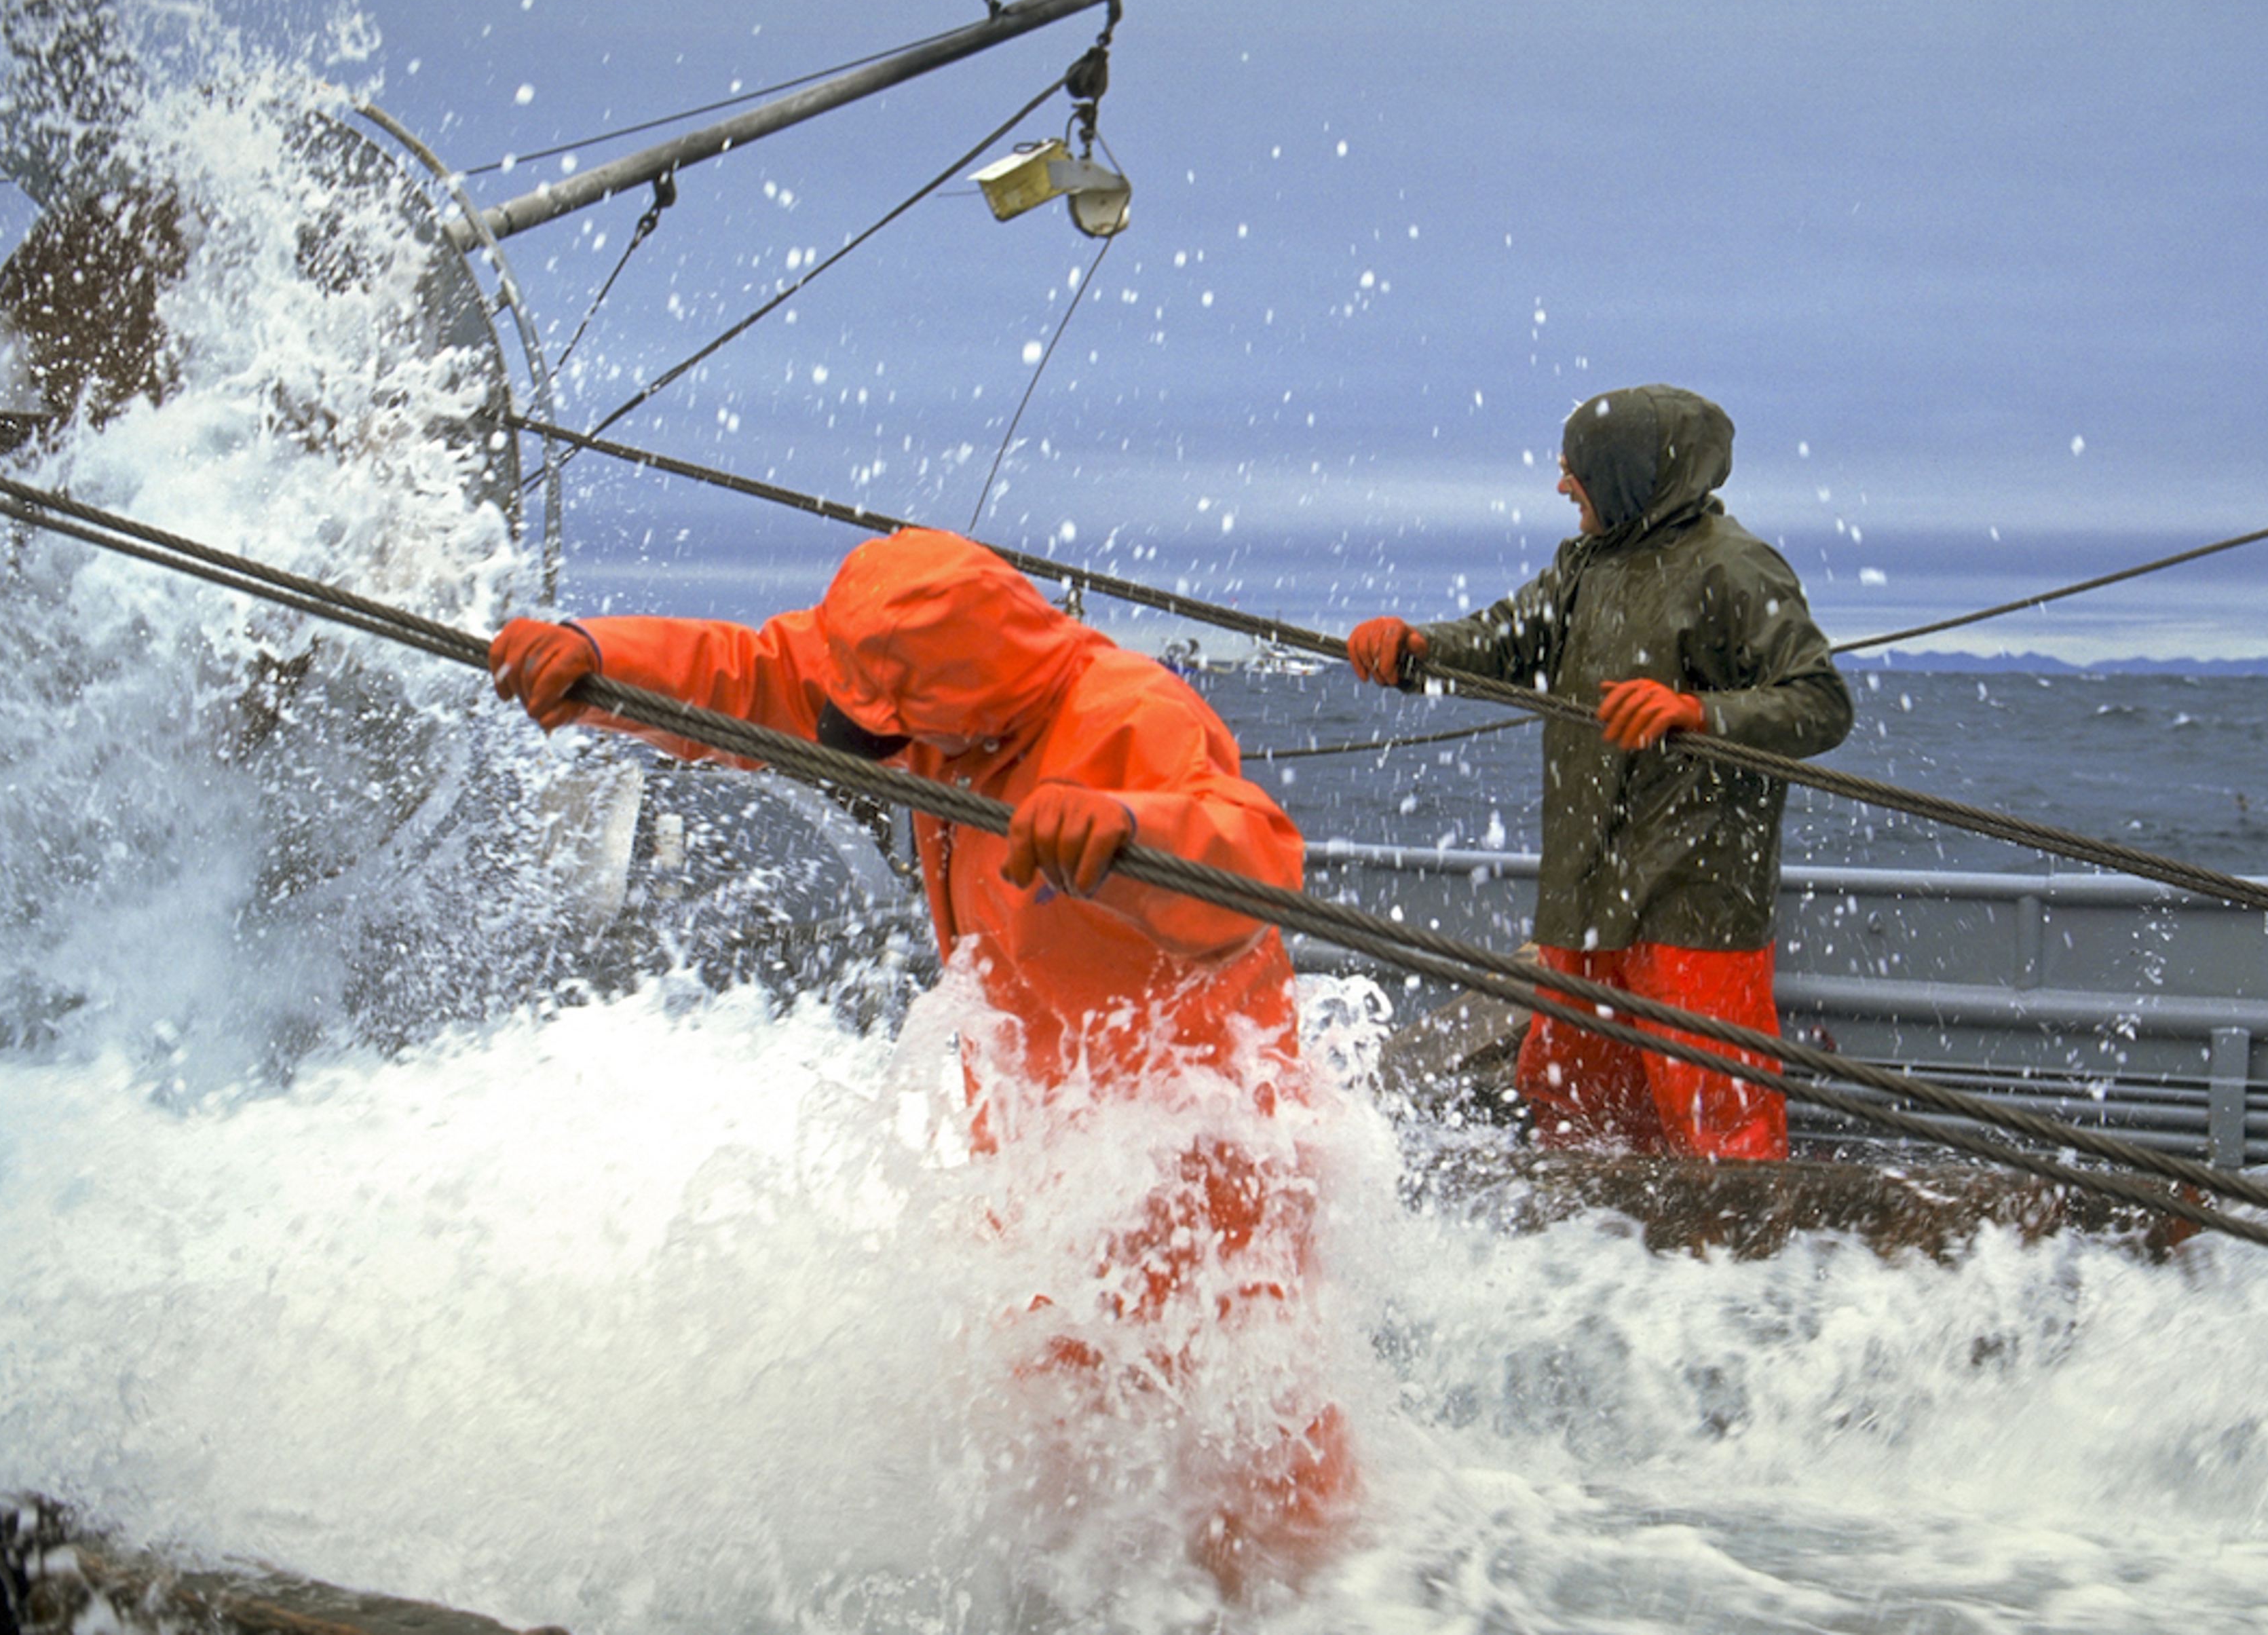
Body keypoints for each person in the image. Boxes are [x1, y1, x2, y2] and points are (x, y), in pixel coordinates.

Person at [489, 525, 1348, 1593]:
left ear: (966, 699)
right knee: (1055, 1441)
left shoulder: (1131, 713)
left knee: (1243, 1461)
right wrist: (599, 663)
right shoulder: (917, 676)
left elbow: (1254, 855)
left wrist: (1127, 825)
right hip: (1047, 1146)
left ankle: (1329, 1597)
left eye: (885, 731)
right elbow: (759, 676)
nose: (864, 742)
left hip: (1195, 1150)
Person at [1347, 383, 1853, 1160]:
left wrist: (1698, 714)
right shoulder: (1586, 563)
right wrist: (1415, 648)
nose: (1560, 486)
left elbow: (1821, 703)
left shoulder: (1738, 568)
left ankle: (1736, 1268)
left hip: (1697, 896)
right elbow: (1503, 642)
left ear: (1625, 473)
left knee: (1717, 1115)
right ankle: (1600, 1257)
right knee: (1575, 1096)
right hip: (1590, 889)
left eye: (1574, 470)